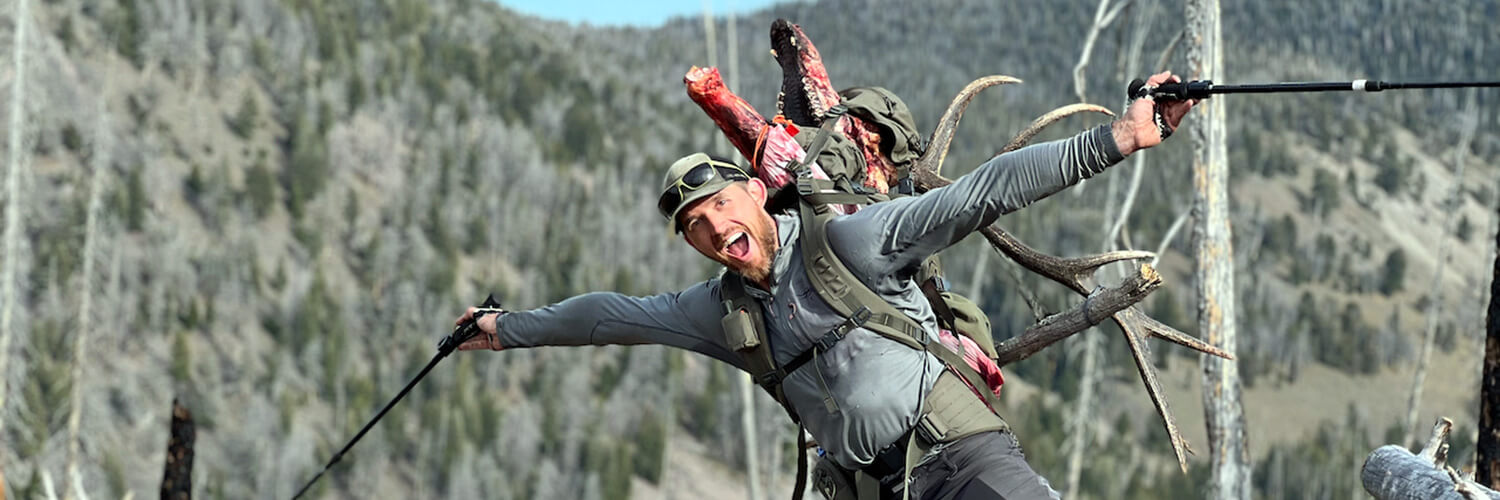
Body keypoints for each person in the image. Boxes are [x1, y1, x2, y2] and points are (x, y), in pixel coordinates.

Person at [454, 72, 1197, 499]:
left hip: (962, 461)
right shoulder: (717, 311)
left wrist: (1122, 138)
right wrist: (506, 328)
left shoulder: (850, 239)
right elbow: (608, 318)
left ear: (753, 193)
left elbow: (981, 194)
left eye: (718, 207)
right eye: (696, 228)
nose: (714, 229)